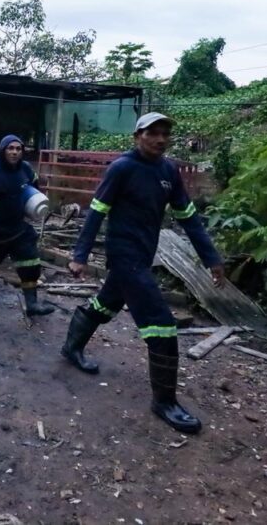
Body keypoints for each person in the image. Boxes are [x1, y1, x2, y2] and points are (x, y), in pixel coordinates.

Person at [61, 112, 225, 434]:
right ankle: (164, 402)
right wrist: (79, 255)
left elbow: (188, 217)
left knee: (106, 304)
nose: (160, 139)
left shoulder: (169, 171)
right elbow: (96, 212)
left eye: (165, 134)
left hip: (143, 255)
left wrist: (211, 257)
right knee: (162, 325)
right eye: (153, 133)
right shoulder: (122, 168)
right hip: (124, 256)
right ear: (138, 136)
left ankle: (71, 347)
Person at [0, 135, 54, 316]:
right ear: (3, 151)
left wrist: (34, 206)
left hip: (19, 227)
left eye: (18, 149)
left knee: (30, 263)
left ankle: (32, 304)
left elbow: (34, 189)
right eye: (11, 148)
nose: (15, 152)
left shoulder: (26, 169)